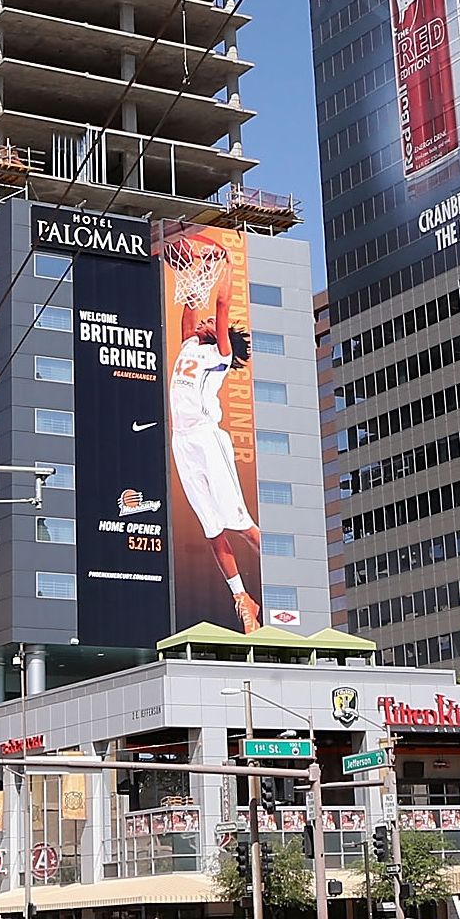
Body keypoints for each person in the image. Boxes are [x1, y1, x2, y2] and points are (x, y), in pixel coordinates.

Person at [160, 228, 262, 633]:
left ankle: (285, 568)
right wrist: (192, 266)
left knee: (238, 522)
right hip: (182, 441)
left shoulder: (218, 354)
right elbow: (189, 303)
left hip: (206, 436)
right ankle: (242, 597)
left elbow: (220, 305)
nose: (201, 322)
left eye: (209, 324)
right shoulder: (188, 344)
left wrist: (226, 265)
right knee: (212, 527)